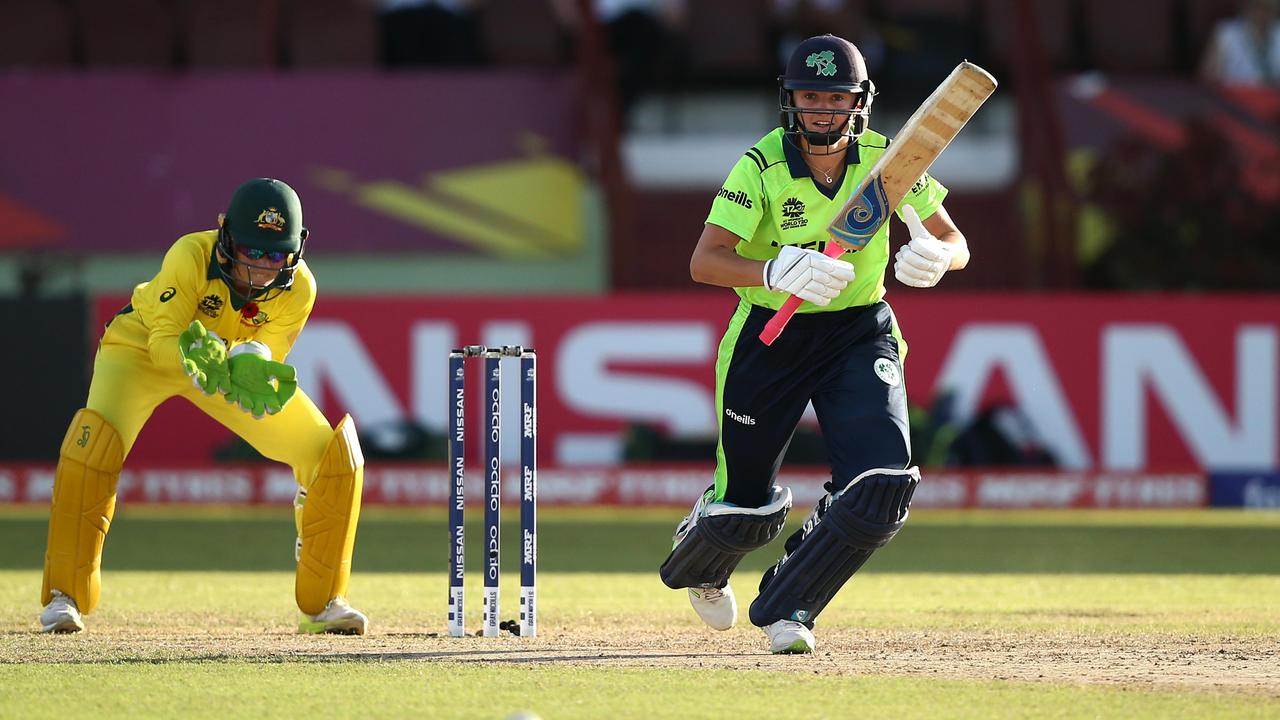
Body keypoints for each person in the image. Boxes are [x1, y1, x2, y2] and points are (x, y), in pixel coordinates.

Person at [658, 34, 969, 654]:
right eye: (810, 97)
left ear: (859, 103)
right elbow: (706, 261)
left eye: (836, 98)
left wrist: (938, 255)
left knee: (883, 482)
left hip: (858, 332)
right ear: (789, 100)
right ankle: (704, 553)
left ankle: (790, 605)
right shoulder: (763, 165)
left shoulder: (891, 160)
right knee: (744, 509)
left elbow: (953, 240)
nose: (822, 111)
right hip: (770, 336)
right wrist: (773, 270)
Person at [39, 178, 369, 635]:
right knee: (93, 450)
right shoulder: (189, 255)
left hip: (225, 365)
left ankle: (323, 602)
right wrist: (193, 353)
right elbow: (161, 343)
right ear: (225, 237)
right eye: (251, 251)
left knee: (331, 458)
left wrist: (256, 363)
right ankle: (65, 596)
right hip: (142, 350)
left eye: (275, 256)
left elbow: (266, 349)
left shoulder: (300, 289)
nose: (261, 268)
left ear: (296, 251)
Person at [1199, 0, 1280, 86]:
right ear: (1247, 7)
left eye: (1269, 8)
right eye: (1258, 6)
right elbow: (1207, 79)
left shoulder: (1277, 32)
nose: (1263, 13)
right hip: (1233, 95)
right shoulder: (1227, 33)